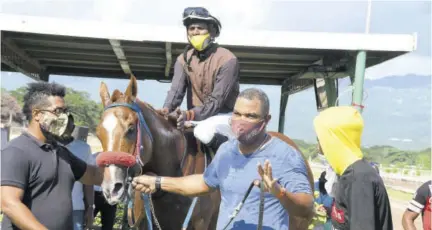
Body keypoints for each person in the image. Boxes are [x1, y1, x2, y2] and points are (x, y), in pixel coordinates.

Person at [133, 88, 314, 229]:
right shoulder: (227, 150)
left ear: (266, 120)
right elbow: (203, 183)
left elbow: (306, 208)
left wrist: (279, 193)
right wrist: (157, 182)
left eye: (251, 116)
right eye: (237, 114)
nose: (241, 121)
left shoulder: (286, 155)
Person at [0, 82, 104, 230]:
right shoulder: (17, 151)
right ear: (37, 114)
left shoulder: (61, 152)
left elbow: (93, 175)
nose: (64, 117)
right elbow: (9, 204)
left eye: (65, 111)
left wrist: (129, 169)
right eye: (57, 111)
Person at [158, 7, 240, 152]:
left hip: (224, 116)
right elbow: (175, 93)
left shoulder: (228, 59)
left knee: (203, 132)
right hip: (193, 118)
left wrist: (189, 115)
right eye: (191, 28)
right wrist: (165, 111)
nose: (195, 32)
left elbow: (216, 102)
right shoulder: (183, 59)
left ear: (212, 31)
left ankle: (230, 165)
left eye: (200, 28)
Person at [313, 106, 393, 230]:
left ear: (333, 140)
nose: (318, 146)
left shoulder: (358, 178)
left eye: (320, 139)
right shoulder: (347, 175)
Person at [65, 125, 94, 230]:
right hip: (50, 209)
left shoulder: (84, 148)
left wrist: (90, 207)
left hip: (76, 208)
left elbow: (89, 180)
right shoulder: (47, 146)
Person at [89, 152, 118, 230]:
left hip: (110, 195)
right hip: (94, 194)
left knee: (108, 225)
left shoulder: (117, 160)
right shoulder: (94, 157)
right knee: (86, 223)